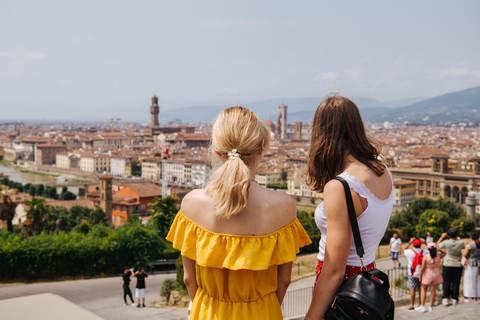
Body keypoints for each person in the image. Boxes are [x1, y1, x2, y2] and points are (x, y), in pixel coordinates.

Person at [166, 106, 311, 320]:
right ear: (262, 147)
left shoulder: (190, 204)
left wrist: (207, 307)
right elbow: (284, 280)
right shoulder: (284, 206)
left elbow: (189, 279)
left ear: (216, 148)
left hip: (209, 313)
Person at [303, 95, 394, 320]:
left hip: (343, 286)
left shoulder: (341, 186)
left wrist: (311, 318)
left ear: (321, 133)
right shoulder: (381, 167)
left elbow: (334, 271)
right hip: (367, 277)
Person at [437, 227, 465, 306]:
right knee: (456, 282)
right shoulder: (461, 242)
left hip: (448, 264)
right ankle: (455, 298)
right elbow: (464, 246)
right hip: (457, 264)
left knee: (446, 282)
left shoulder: (446, 242)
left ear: (448, 235)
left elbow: (437, 245)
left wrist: (442, 237)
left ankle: (445, 298)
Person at [416, 242, 446, 313]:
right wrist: (440, 249)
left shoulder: (426, 257)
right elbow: (445, 253)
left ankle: (422, 305)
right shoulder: (438, 256)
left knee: (423, 290)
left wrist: (420, 275)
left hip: (427, 273)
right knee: (433, 291)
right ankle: (430, 306)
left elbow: (422, 268)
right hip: (436, 273)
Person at [404, 238, 428, 311]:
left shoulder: (409, 252)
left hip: (412, 273)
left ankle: (412, 305)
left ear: (413, 244)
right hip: (422, 273)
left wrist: (409, 242)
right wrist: (425, 243)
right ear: (421, 244)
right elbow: (430, 250)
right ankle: (421, 303)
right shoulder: (424, 252)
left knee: (412, 289)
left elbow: (404, 250)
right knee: (421, 289)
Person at [462, 230, 480, 302]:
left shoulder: (469, 245)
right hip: (479, 263)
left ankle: (472, 296)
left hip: (472, 263)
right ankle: (478, 295)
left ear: (471, 237)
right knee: (478, 280)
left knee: (471, 280)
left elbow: (464, 254)